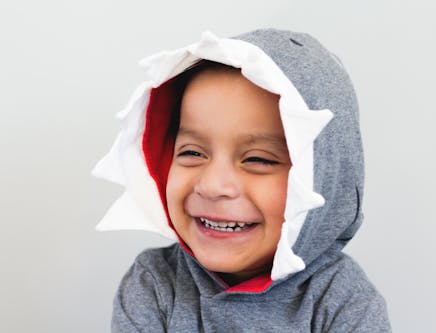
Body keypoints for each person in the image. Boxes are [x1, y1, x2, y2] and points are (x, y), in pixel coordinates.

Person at [93, 29, 392, 332]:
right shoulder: (154, 285)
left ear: (322, 179)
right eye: (193, 152)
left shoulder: (344, 304)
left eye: (258, 159)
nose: (212, 185)